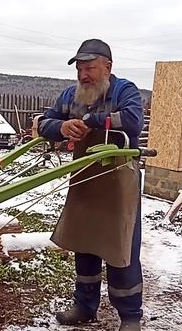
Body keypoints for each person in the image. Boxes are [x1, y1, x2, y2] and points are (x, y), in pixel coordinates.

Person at [37, 39, 144, 331]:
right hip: (84, 176)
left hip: (118, 181)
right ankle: (84, 306)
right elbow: (44, 121)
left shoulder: (124, 90)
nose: (84, 75)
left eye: (90, 68)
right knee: (85, 243)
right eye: (80, 70)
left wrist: (88, 120)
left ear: (107, 67)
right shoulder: (71, 95)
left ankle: (130, 316)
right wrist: (60, 127)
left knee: (120, 248)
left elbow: (133, 122)